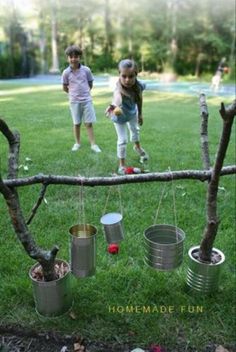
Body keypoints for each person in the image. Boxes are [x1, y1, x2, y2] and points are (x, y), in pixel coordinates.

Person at [105, 59, 148, 174]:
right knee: (122, 140)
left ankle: (137, 147)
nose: (127, 80)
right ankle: (121, 165)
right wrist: (114, 105)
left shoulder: (139, 86)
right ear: (119, 74)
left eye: (131, 76)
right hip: (119, 118)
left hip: (132, 114)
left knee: (135, 131)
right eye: (124, 76)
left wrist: (140, 114)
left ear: (136, 75)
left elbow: (139, 99)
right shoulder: (118, 86)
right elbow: (117, 97)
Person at [62, 45, 101, 153]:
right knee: (77, 123)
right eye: (71, 57)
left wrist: (85, 93)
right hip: (74, 101)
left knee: (88, 123)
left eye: (76, 56)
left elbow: (90, 83)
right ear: (68, 58)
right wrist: (73, 94)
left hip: (87, 100)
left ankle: (93, 144)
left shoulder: (86, 70)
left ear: (80, 57)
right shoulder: (66, 73)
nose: (73, 59)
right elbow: (65, 87)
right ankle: (77, 143)